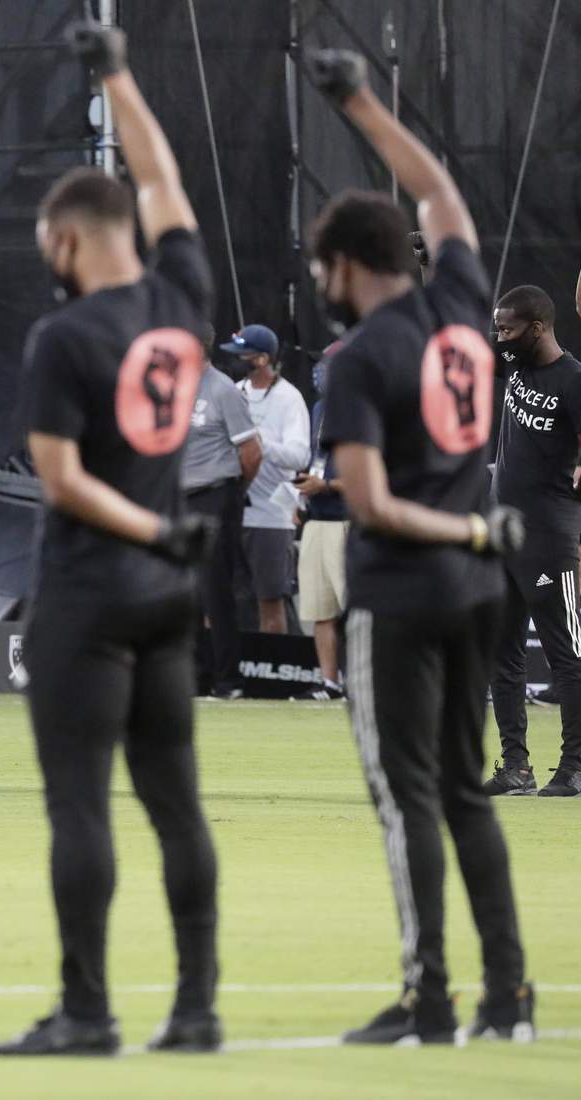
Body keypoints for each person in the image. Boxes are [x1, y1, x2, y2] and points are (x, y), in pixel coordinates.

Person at [0, 24, 221, 1057]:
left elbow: (63, 478)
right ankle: (197, 1007)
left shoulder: (65, 336)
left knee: (80, 804)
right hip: (169, 595)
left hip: (89, 591)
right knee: (176, 803)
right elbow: (161, 172)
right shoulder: (183, 300)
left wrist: (152, 527)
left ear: (70, 239)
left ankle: (86, 1010)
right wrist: (117, 72)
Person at [309, 49, 534, 1044]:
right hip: (476, 590)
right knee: (465, 791)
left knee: (407, 802)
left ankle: (426, 997)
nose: (321, 283)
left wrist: (472, 520)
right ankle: (508, 996)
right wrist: (357, 100)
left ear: (350, 265)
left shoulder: (359, 358)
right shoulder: (460, 309)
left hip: (403, 592)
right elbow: (438, 188)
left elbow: (371, 502)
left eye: (323, 267)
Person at [483, 285, 581, 797]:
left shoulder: (573, 380)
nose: (500, 337)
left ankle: (576, 766)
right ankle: (516, 767)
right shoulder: (514, 364)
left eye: (507, 329)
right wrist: (430, 274)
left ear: (537, 328)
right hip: (504, 536)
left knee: (568, 657)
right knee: (503, 654)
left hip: (550, 539)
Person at [182, 339, 261, 698]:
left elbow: (251, 452)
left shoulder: (221, 389)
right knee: (185, 595)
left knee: (215, 591)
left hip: (215, 494)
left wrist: (234, 493)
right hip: (180, 499)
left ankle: (228, 681)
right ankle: (195, 678)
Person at [221, 324, 309, 634]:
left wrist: (259, 443)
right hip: (233, 512)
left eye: (241, 354)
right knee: (229, 600)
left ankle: (277, 671)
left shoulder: (289, 398)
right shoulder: (232, 391)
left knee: (270, 602)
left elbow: (300, 456)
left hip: (271, 517)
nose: (235, 360)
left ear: (261, 359)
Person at [292, 347, 349, 701]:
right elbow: (319, 461)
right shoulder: (319, 409)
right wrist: (303, 495)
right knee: (319, 608)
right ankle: (330, 682)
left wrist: (327, 486)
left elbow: (375, 478)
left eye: (329, 366)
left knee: (355, 609)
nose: (320, 372)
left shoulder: (365, 411)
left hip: (347, 519)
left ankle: (367, 683)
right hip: (317, 517)